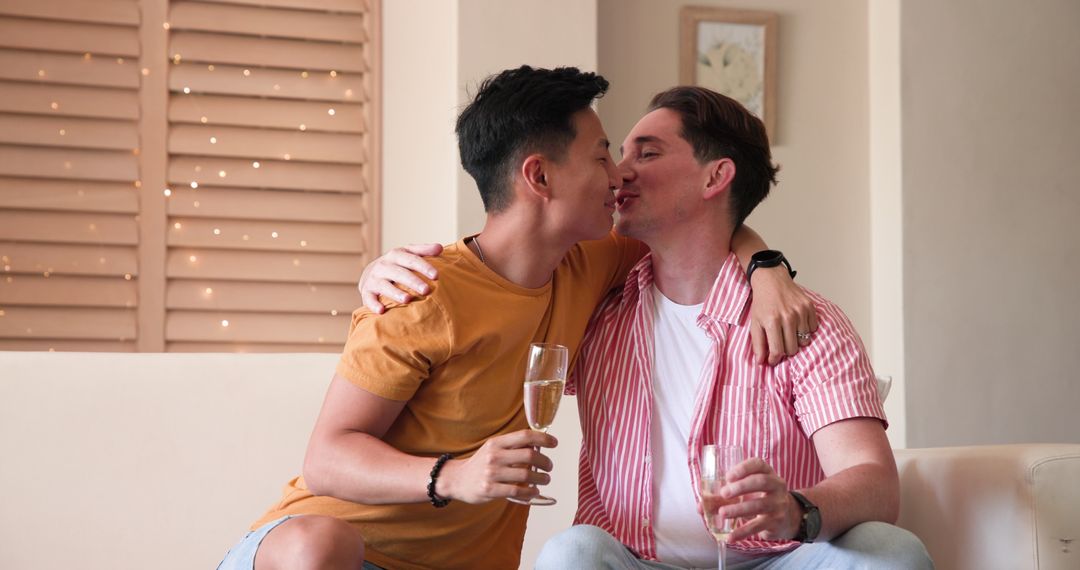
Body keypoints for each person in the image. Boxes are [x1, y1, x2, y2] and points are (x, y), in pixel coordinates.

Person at [217, 66, 807, 570]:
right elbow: (326, 459)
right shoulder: (423, 292)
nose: (619, 174)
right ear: (540, 176)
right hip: (333, 553)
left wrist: (767, 268)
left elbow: (705, 230)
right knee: (322, 540)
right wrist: (454, 476)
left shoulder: (595, 260)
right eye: (603, 154)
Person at [365, 87, 932, 569]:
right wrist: (380, 273)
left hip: (774, 558)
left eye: (649, 152)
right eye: (616, 154)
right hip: (632, 561)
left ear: (717, 176)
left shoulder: (801, 319)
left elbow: (874, 482)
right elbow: (499, 277)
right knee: (571, 553)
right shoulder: (595, 301)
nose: (620, 171)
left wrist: (798, 508)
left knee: (889, 549)